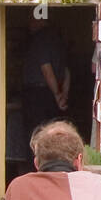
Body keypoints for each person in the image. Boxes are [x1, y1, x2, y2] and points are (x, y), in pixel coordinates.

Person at [22, 11, 70, 157]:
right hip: (53, 93)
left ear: (40, 20)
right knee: (53, 134)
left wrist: (56, 94)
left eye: (31, 19)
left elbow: (46, 68)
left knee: (37, 135)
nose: (29, 23)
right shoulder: (58, 39)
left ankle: (37, 168)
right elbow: (67, 71)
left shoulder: (40, 40)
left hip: (39, 95)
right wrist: (64, 94)